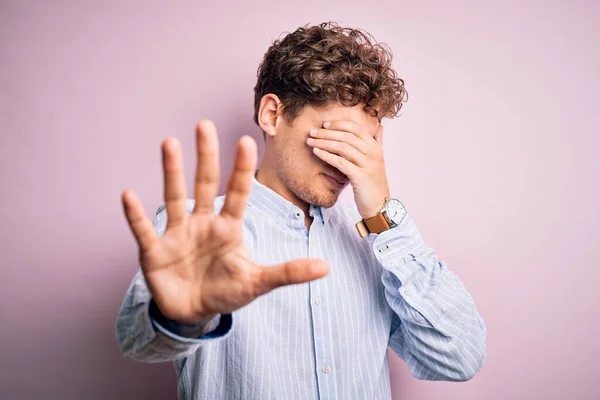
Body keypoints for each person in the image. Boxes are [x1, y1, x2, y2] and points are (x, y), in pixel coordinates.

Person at [116, 21, 487, 400]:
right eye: (336, 139)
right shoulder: (198, 230)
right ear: (273, 115)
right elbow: (140, 344)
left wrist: (383, 216)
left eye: (363, 147)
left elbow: (459, 357)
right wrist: (181, 318)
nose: (347, 165)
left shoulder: (379, 243)